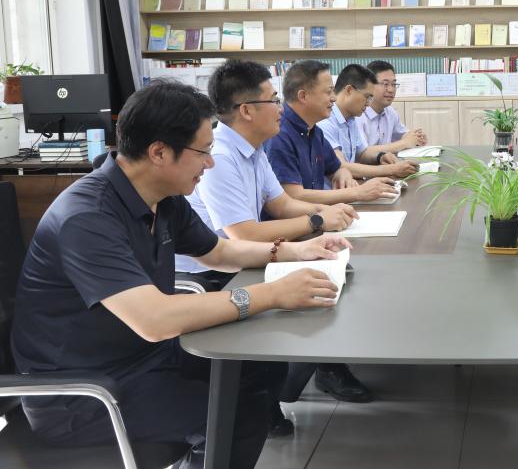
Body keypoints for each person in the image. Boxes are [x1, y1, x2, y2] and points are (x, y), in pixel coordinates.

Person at [10, 81, 348, 469]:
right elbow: (155, 320)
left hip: (144, 358)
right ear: (159, 152)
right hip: (83, 393)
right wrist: (272, 294)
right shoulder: (87, 217)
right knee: (234, 416)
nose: (210, 163)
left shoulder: (162, 196)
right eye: (203, 152)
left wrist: (294, 251)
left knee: (259, 367)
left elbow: (218, 252)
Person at [182, 59, 374, 410]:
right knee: (313, 287)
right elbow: (243, 233)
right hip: (212, 273)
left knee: (333, 272)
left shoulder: (255, 148)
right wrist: (317, 222)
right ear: (246, 110)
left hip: (242, 257)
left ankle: (290, 383)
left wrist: (329, 213)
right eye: (273, 100)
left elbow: (282, 203)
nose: (281, 108)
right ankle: (278, 390)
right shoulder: (221, 155)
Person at [265, 59, 400, 205]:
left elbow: (338, 167)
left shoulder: (314, 131)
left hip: (321, 211)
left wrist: (342, 174)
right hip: (305, 216)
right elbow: (293, 197)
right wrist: (357, 192)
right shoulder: (280, 134)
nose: (334, 98)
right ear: (303, 96)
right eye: (328, 92)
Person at [318, 64, 418, 179]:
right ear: (349, 90)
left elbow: (362, 153)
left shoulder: (351, 118)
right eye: (367, 97)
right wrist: (392, 169)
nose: (369, 103)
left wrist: (380, 157)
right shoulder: (325, 121)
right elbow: (340, 166)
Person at [358, 60, 428, 152]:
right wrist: (405, 143)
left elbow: (401, 135)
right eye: (385, 84)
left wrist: (416, 137)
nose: (391, 90)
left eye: (394, 84)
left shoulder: (390, 112)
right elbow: (363, 152)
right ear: (369, 85)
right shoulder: (358, 114)